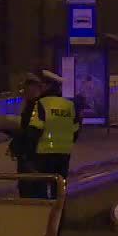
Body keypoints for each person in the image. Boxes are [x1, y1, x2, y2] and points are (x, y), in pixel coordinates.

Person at [19, 70, 80, 199]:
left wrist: (28, 154)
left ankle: (46, 217)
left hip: (43, 154)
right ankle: (59, 217)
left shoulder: (41, 104)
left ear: (47, 86)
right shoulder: (69, 105)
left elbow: (34, 130)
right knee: (58, 191)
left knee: (40, 190)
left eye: (43, 85)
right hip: (64, 155)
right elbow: (76, 129)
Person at [11, 72, 47, 198]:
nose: (24, 91)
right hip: (29, 155)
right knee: (28, 188)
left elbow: (33, 132)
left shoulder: (37, 106)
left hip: (33, 156)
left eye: (27, 88)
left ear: (36, 88)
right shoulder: (29, 105)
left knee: (33, 190)